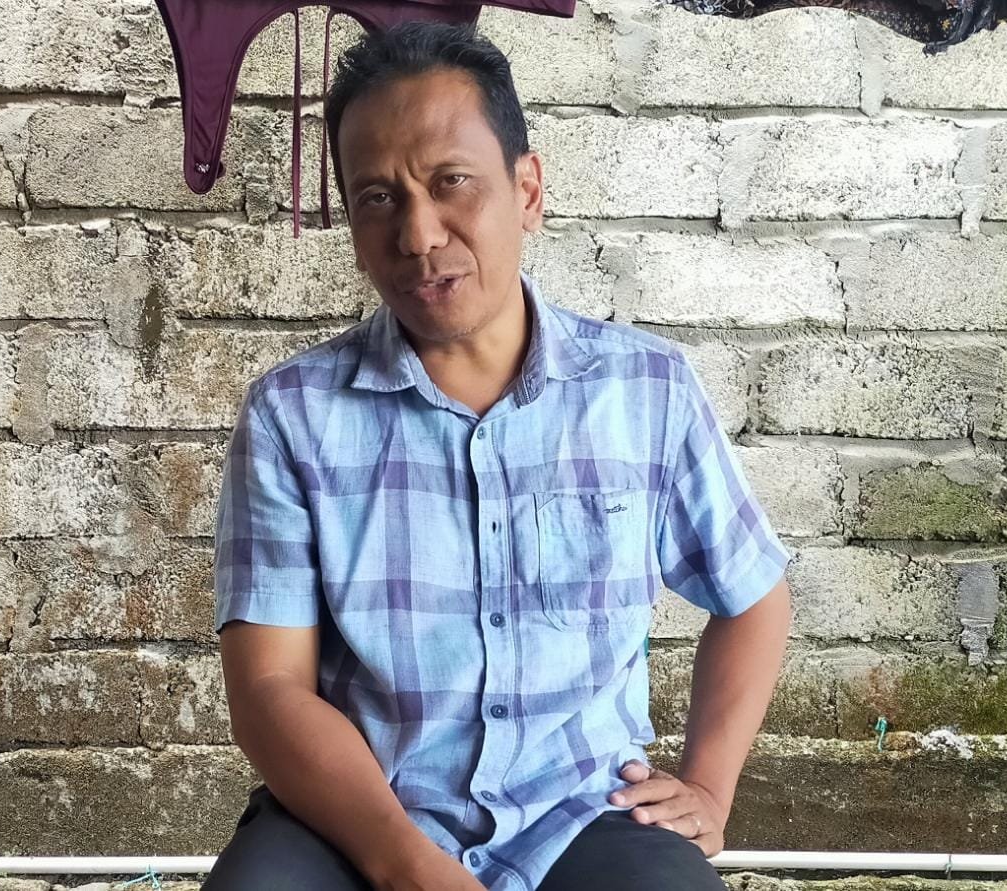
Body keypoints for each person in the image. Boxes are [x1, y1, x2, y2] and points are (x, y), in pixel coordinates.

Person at [202, 19, 793, 891]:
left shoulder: (646, 390)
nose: (419, 234)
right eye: (378, 198)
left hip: (582, 809)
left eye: (452, 182)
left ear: (527, 190)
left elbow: (754, 594)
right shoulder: (294, 416)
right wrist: (405, 863)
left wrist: (708, 783)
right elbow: (270, 689)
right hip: (359, 812)